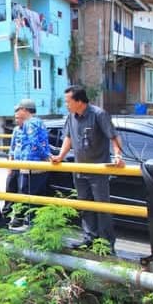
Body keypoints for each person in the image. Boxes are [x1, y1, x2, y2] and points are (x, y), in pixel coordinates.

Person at [51, 86, 124, 251]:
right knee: (84, 205)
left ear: (78, 101)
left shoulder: (99, 114)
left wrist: (118, 155)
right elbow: (68, 138)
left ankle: (106, 243)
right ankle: (89, 238)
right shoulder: (71, 116)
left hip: (98, 170)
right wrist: (60, 156)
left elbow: (114, 136)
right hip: (79, 169)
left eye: (68, 101)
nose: (66, 105)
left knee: (102, 207)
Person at [9, 99, 50, 227]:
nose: (18, 112)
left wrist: (46, 155)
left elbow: (34, 143)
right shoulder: (39, 122)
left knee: (26, 194)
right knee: (37, 195)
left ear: (25, 110)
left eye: (19, 109)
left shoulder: (30, 123)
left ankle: (30, 222)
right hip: (38, 165)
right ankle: (36, 223)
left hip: (32, 165)